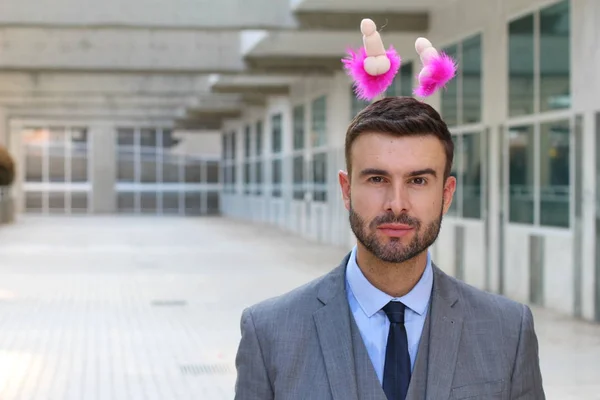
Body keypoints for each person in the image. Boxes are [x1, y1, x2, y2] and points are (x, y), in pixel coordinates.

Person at [233, 96, 545, 400]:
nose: (397, 204)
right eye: (378, 179)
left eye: (418, 181)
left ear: (447, 195)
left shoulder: (508, 331)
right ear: (347, 190)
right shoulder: (269, 333)